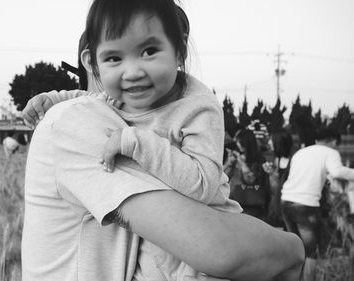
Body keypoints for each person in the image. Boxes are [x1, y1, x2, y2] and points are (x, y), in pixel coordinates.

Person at [21, 0, 304, 280]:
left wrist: (135, 142)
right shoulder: (85, 113)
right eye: (114, 58)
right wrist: (53, 99)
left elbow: (203, 187)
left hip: (196, 258)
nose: (133, 72)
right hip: (172, 250)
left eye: (149, 51)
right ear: (92, 62)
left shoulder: (196, 108)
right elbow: (88, 98)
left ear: (179, 50)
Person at [280, 128, 354, 281]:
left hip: (286, 202)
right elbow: (337, 172)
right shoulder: (330, 152)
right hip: (305, 205)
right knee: (311, 252)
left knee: (296, 248)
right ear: (334, 141)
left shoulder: (301, 152)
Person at [225, 129, 270, 221]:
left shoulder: (259, 160)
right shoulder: (235, 158)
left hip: (252, 205)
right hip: (234, 202)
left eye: (240, 142)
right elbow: (224, 176)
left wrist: (241, 162)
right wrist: (229, 164)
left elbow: (251, 180)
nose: (239, 145)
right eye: (237, 142)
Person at [263, 128, 294, 228]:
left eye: (271, 140)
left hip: (289, 199)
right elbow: (277, 179)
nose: (269, 142)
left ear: (279, 142)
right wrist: (271, 172)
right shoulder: (278, 158)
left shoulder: (294, 158)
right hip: (277, 199)